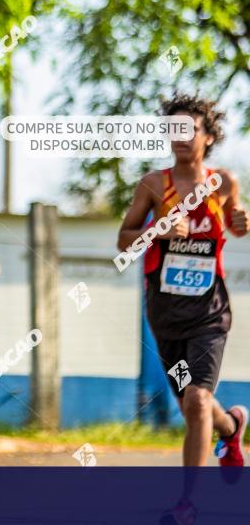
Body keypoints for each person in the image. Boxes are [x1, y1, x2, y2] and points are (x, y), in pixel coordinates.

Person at [117, 94, 247, 522]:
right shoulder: (154, 185)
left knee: (196, 399)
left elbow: (233, 221)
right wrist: (156, 229)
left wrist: (242, 221)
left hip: (210, 311)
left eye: (189, 129)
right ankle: (231, 430)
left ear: (207, 137)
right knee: (194, 403)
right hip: (165, 313)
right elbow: (124, 241)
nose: (180, 137)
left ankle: (188, 503)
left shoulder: (223, 182)